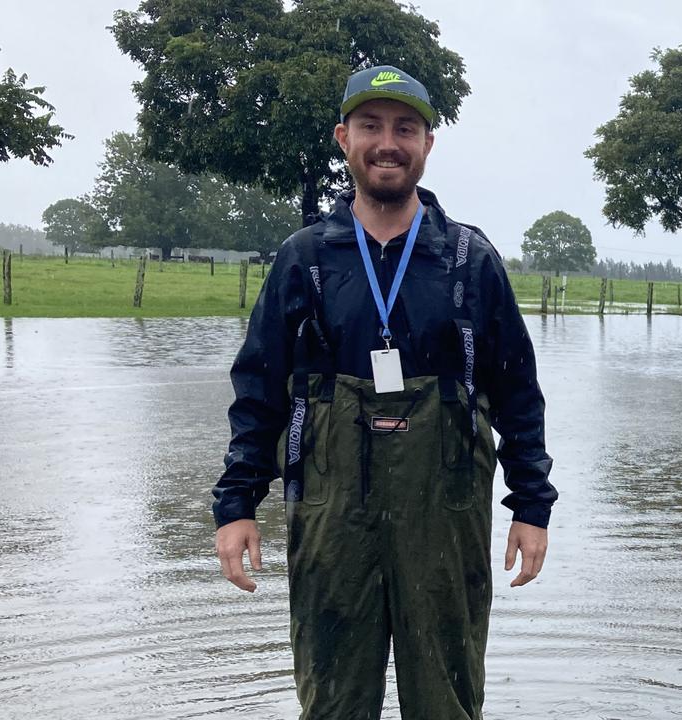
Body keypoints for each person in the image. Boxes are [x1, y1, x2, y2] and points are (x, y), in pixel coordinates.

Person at [211, 64, 557, 719]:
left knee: (447, 699)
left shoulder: (470, 261)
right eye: (371, 125)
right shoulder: (305, 258)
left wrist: (532, 505)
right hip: (332, 514)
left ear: (429, 143)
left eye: (406, 127)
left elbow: (517, 393)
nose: (388, 142)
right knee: (332, 697)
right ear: (344, 138)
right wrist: (236, 505)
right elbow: (258, 391)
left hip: (445, 514)